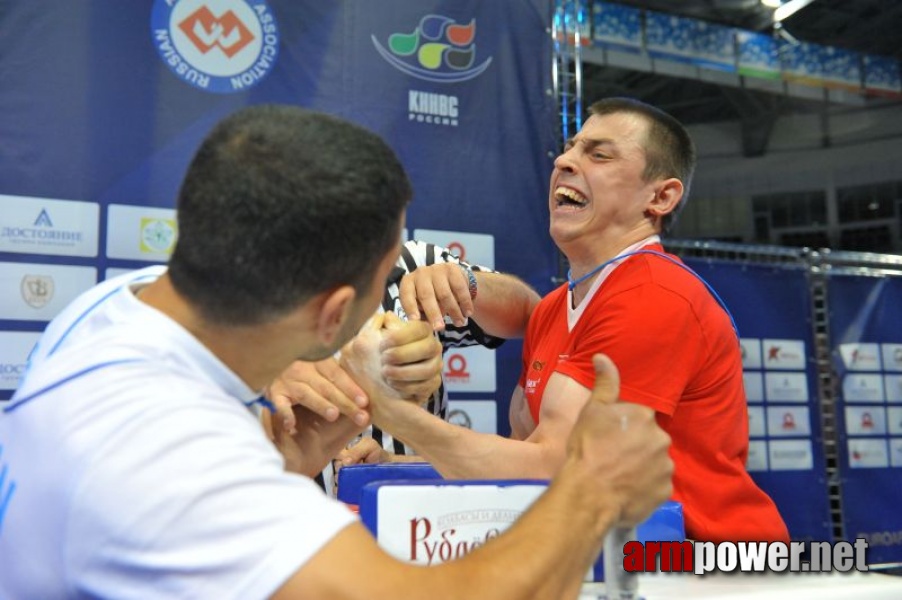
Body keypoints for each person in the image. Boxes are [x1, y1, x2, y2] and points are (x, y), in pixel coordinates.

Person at [0, 104, 673, 599]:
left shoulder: (102, 315)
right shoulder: (184, 457)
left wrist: (284, 464)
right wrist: (592, 492)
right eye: (388, 284)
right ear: (333, 318)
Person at [345, 97, 789, 543]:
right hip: (632, 560)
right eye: (571, 148)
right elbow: (524, 458)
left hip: (709, 566)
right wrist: (402, 464)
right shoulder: (556, 306)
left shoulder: (653, 292)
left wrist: (394, 415)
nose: (564, 160)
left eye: (599, 154)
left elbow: (557, 466)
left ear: (661, 196)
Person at [267, 239, 540, 493]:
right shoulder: (256, 283)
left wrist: (465, 282)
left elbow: (531, 315)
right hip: (289, 511)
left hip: (412, 514)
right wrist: (264, 383)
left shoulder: (415, 262)